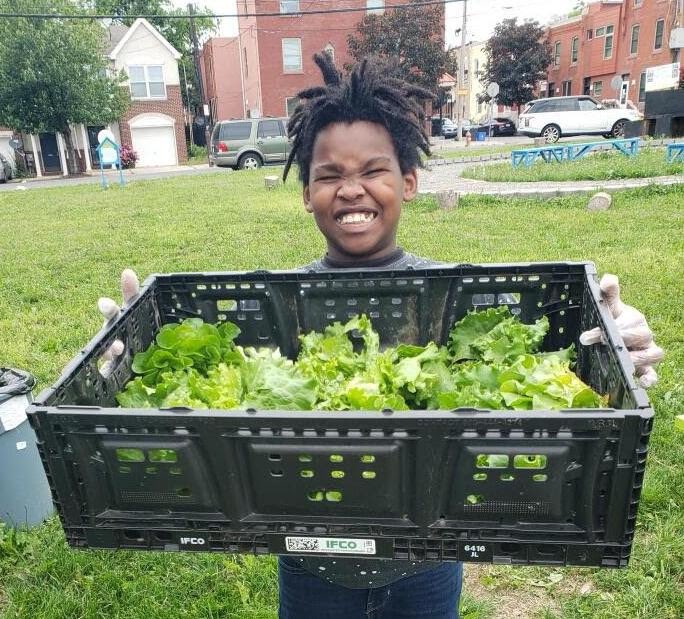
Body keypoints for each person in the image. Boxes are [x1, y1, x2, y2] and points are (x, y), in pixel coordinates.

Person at [98, 53, 664, 619]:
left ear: (409, 182)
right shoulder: (280, 310)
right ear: (305, 192)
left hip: (428, 562)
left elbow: (560, 378)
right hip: (308, 561)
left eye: (372, 171)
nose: (351, 190)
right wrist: (133, 355)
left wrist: (616, 352)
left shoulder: (452, 301)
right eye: (328, 175)